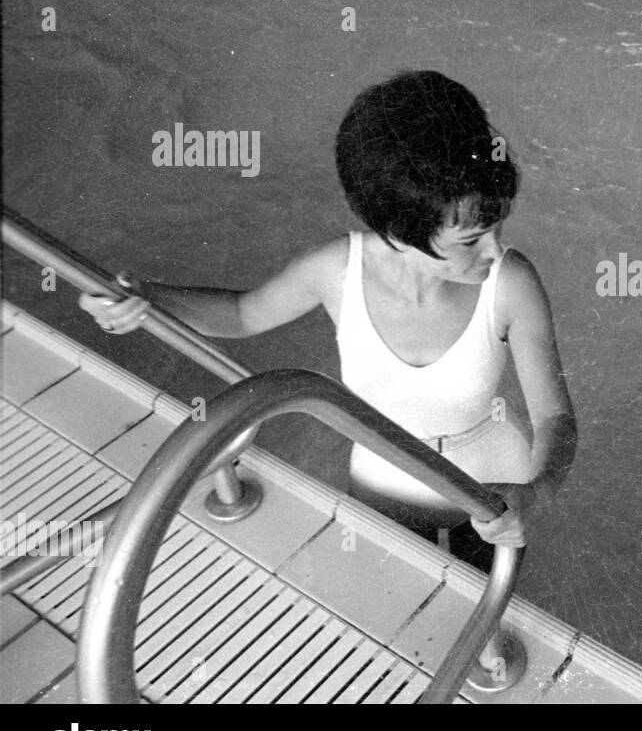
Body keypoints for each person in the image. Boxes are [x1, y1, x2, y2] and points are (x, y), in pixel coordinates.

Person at [79, 71, 578, 567]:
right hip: (383, 482)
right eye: (469, 241)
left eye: (496, 226)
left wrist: (538, 491)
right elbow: (241, 314)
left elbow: (553, 416)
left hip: (491, 485)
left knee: (489, 603)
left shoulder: (511, 282)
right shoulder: (336, 270)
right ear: (398, 234)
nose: (495, 250)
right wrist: (145, 298)